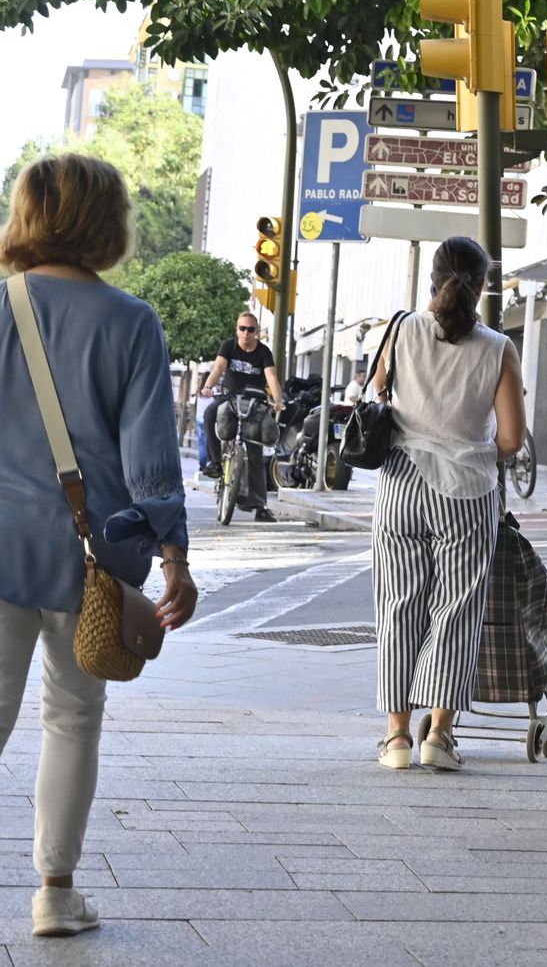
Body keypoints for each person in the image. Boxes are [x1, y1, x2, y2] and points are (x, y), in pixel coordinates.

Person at [0, 153, 198, 938]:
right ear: (107, 222)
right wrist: (176, 560)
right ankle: (54, 892)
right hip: (94, 557)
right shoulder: (131, 321)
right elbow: (152, 457)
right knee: (74, 717)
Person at [368, 237, 526, 773]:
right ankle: (439, 733)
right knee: (456, 612)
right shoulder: (499, 348)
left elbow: (379, 390)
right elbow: (511, 440)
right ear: (482, 287)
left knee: (398, 606)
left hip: (401, 485)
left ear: (432, 280)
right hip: (467, 492)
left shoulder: (401, 329)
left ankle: (395, 739)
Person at [198, 310, 285, 523]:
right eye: (242, 329)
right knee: (210, 413)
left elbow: (271, 376)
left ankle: (260, 507)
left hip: (255, 403)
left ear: (256, 332)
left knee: (254, 451)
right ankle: (214, 463)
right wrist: (209, 385)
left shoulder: (263, 352)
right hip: (230, 398)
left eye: (251, 329)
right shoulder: (229, 346)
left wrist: (278, 400)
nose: (246, 333)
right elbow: (219, 367)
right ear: (237, 330)